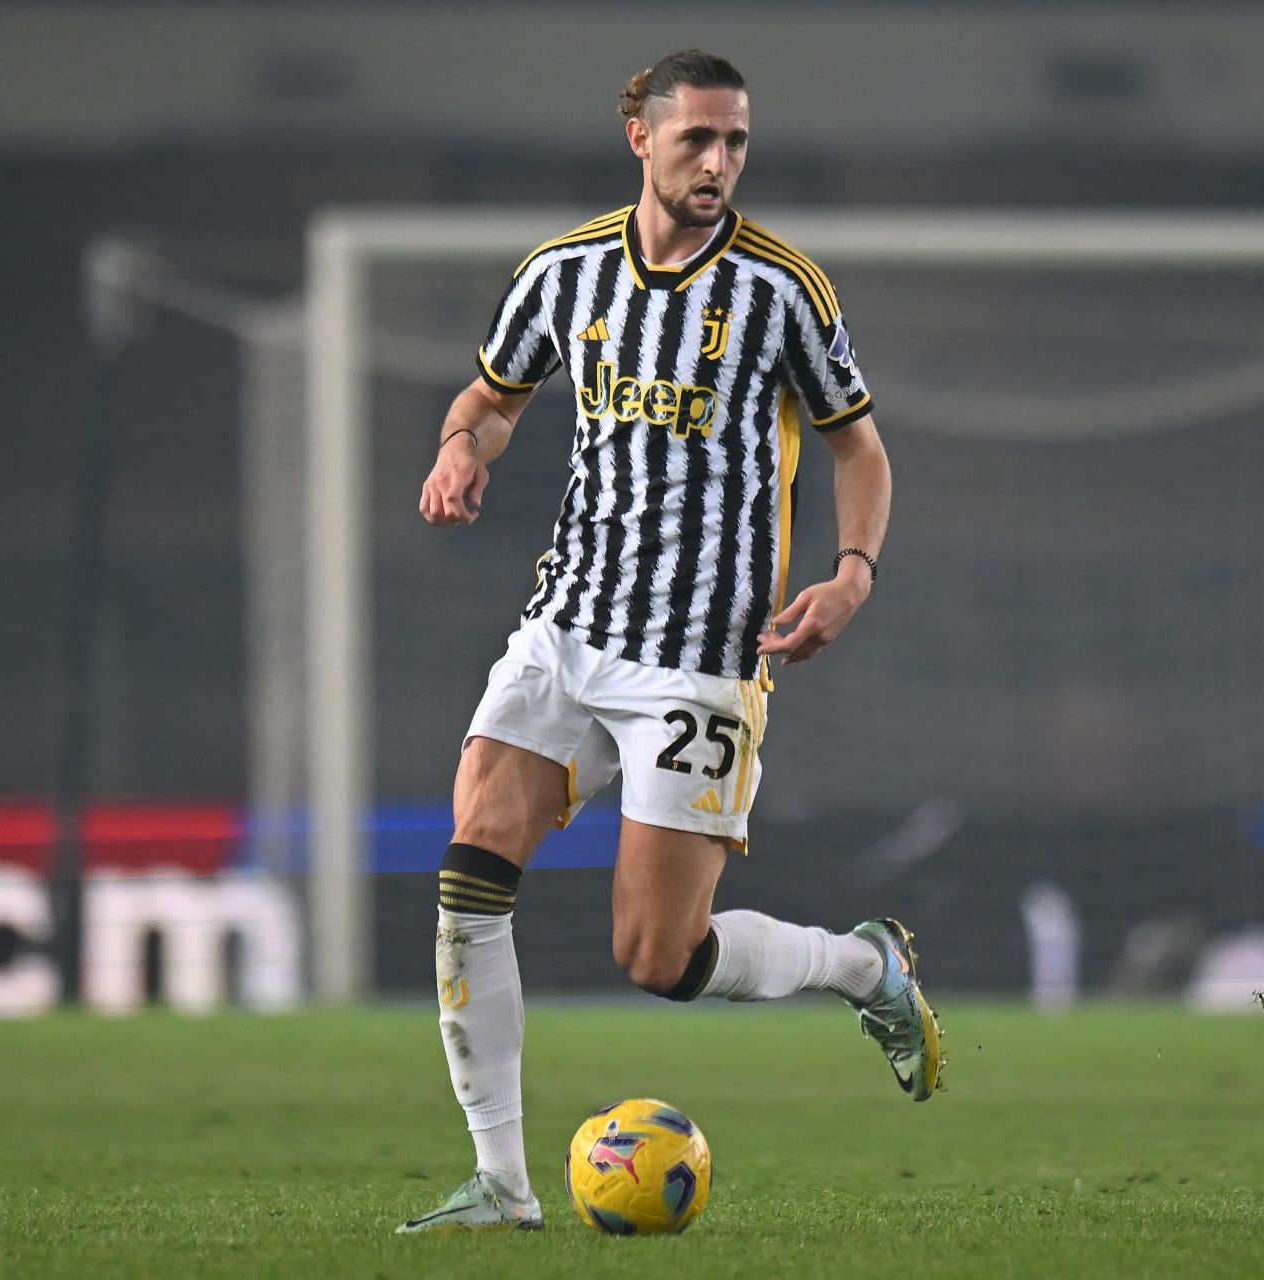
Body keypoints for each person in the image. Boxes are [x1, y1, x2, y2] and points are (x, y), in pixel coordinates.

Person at [398, 50, 941, 1235]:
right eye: (697, 139)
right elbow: (488, 399)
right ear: (638, 139)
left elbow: (859, 445)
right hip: (569, 622)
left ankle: (864, 969)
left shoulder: (781, 290)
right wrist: (459, 448)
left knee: (660, 954)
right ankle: (502, 1179)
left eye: (736, 142)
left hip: (701, 653)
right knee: (471, 864)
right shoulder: (564, 271)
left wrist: (852, 573)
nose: (719, 162)